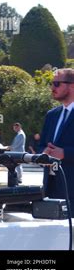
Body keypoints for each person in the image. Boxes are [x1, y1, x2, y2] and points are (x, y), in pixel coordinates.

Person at [39, 68, 74, 215]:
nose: (52, 88)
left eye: (57, 84)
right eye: (52, 83)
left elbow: (62, 152)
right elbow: (41, 145)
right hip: (51, 190)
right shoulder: (51, 115)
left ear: (72, 85)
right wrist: (43, 153)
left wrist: (65, 153)